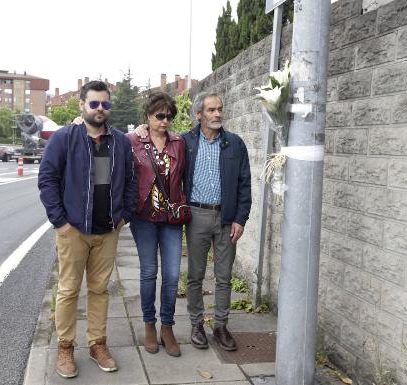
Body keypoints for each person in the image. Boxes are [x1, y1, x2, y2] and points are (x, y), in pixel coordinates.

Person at [135, 91, 251, 352]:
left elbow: (245, 184)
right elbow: (156, 137)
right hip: (196, 215)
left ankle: (220, 326)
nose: (217, 114)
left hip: (226, 217)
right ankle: (197, 325)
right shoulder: (185, 142)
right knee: (195, 276)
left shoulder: (235, 144)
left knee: (224, 276)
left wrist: (240, 219)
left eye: (220, 109)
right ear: (199, 114)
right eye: (211, 110)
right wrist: (145, 126)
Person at [38, 80, 137, 378]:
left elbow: (132, 180)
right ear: (82, 105)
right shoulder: (65, 138)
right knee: (68, 290)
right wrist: (61, 223)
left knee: (99, 290)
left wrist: (124, 215)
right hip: (74, 230)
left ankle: (97, 344)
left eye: (105, 104)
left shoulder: (119, 141)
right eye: (94, 103)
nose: (100, 109)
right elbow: (47, 180)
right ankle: (65, 349)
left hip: (107, 230)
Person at [127, 92, 187, 357]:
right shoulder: (133, 141)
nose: (165, 121)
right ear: (148, 117)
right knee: (149, 272)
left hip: (171, 218)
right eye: (159, 116)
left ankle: (168, 326)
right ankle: (149, 324)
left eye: (169, 116)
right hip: (144, 218)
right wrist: (78, 122)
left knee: (172, 275)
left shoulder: (179, 143)